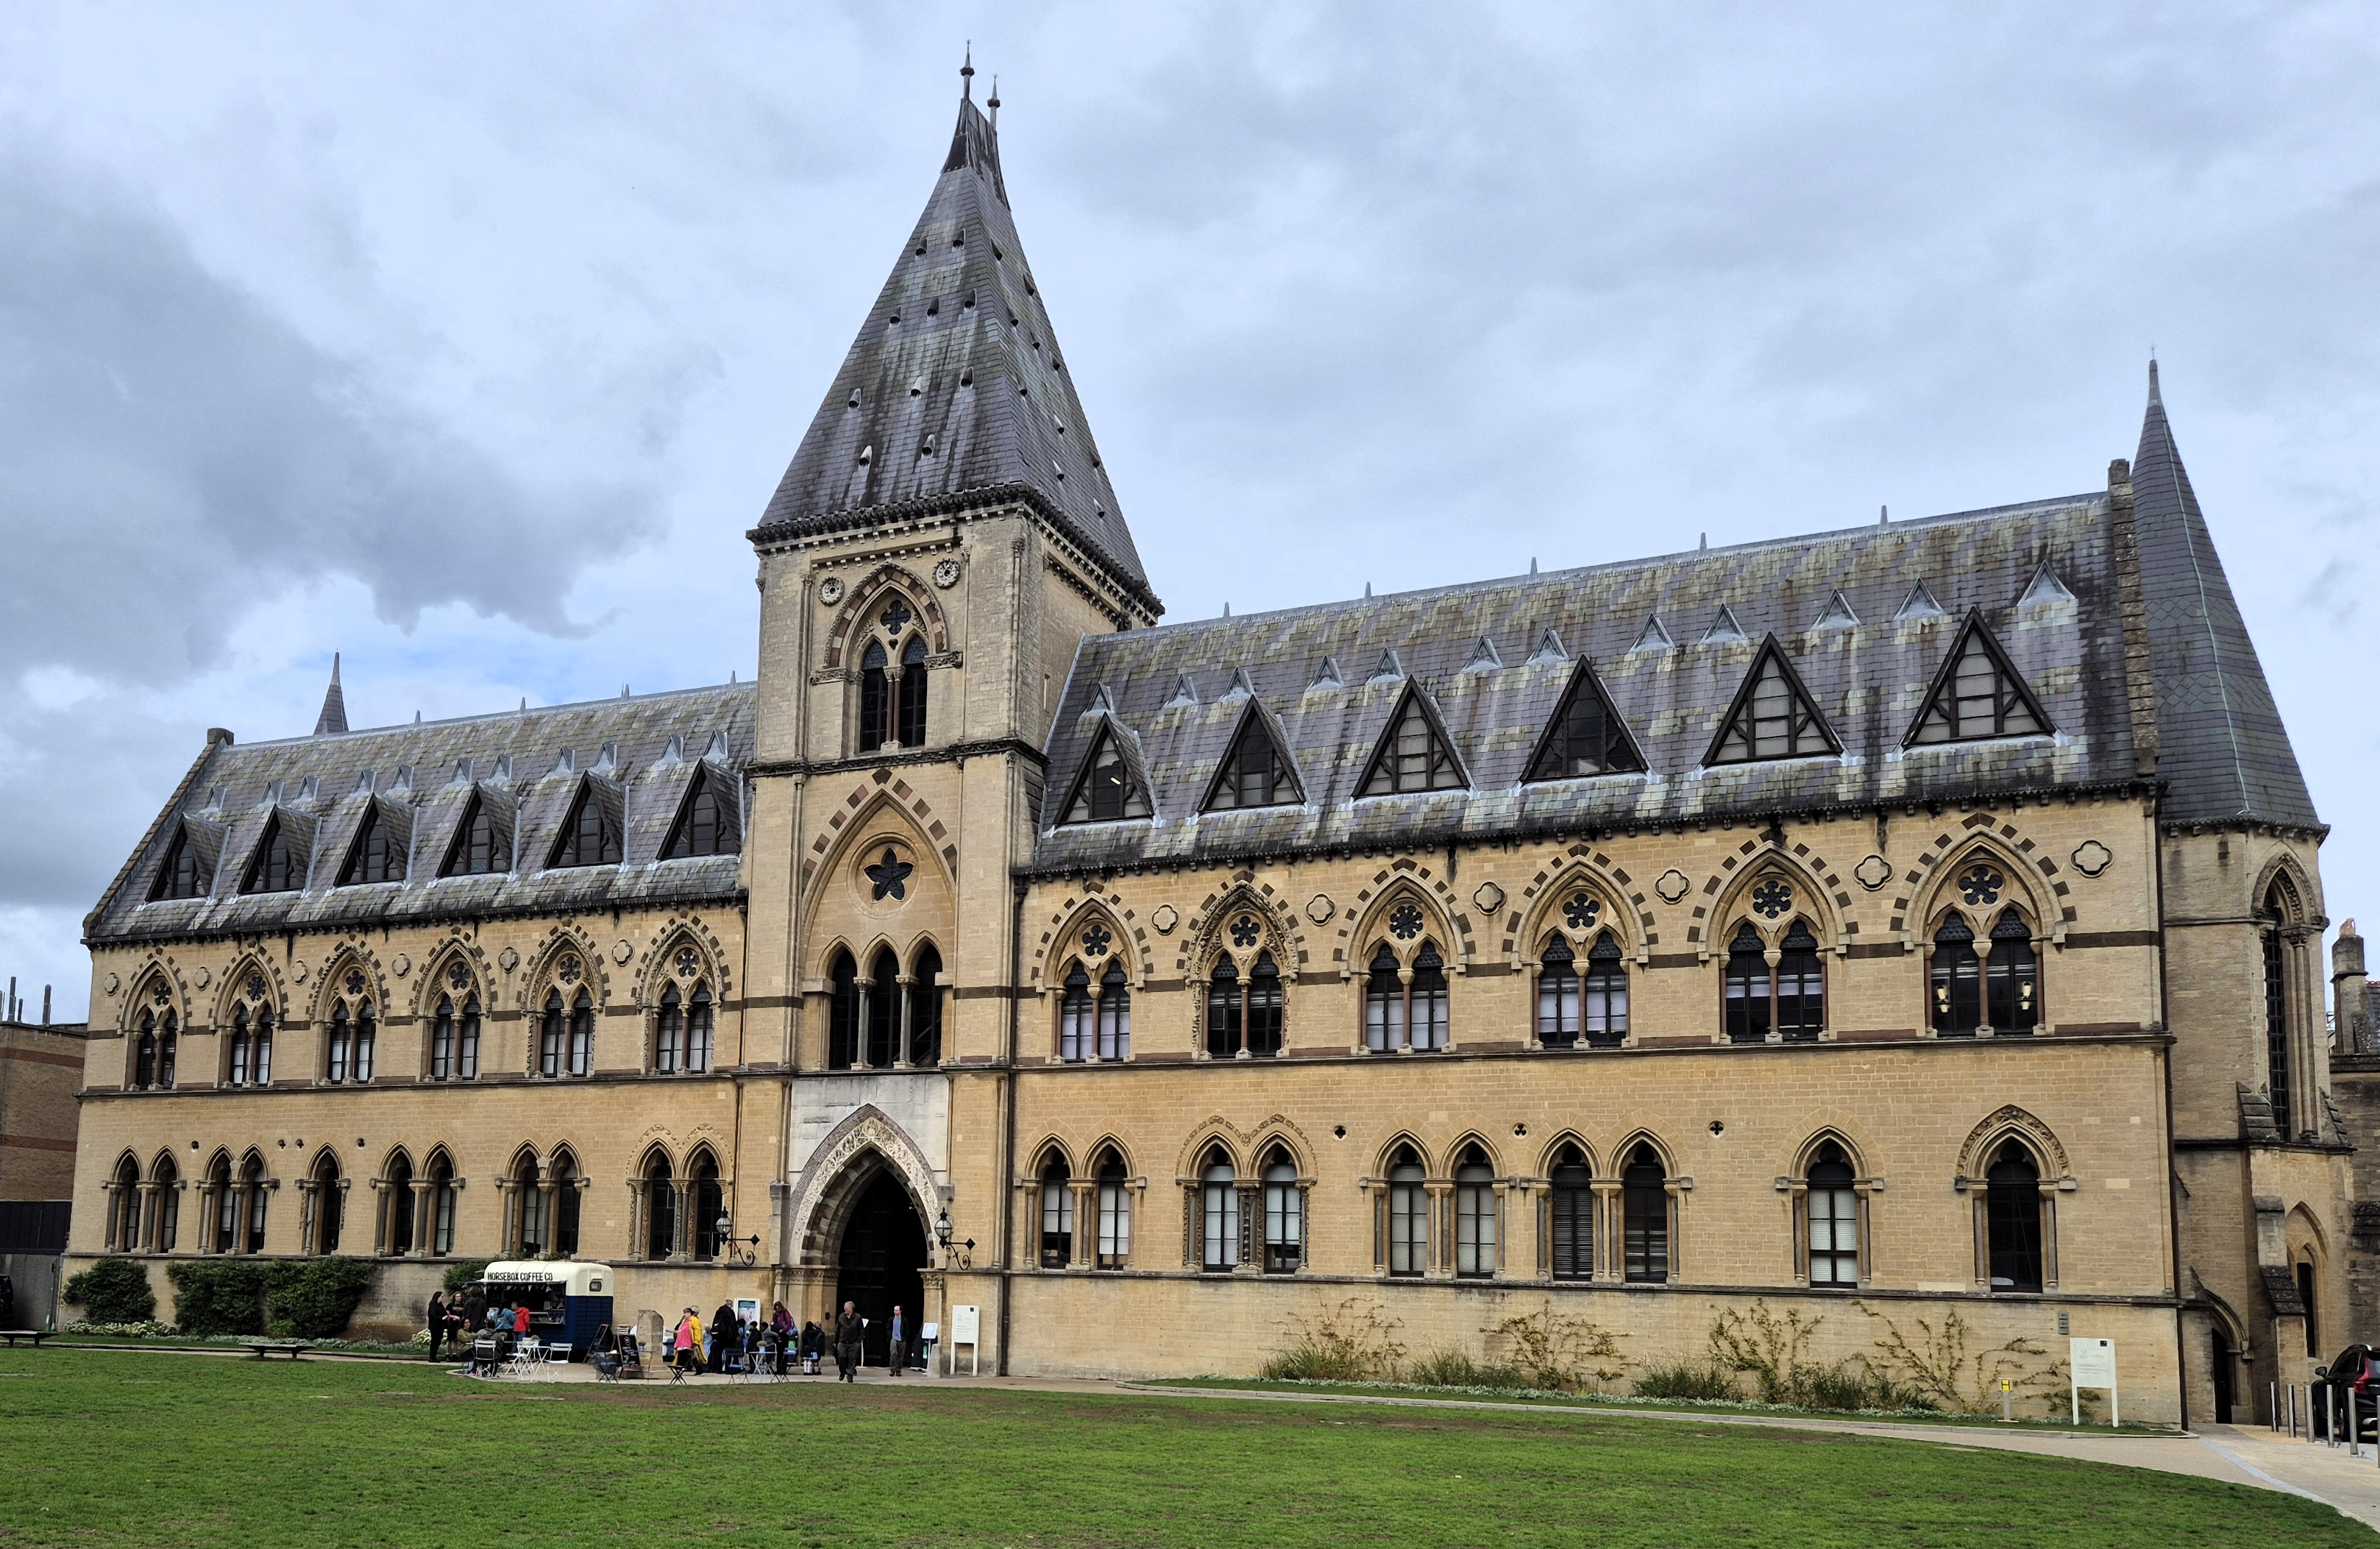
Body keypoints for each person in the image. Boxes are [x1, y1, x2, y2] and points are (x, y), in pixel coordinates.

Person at [834, 1300, 864, 1383]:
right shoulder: (841, 1317)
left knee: (852, 1359)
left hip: (853, 1342)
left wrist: (858, 1340)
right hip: (842, 1342)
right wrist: (835, 1340)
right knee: (841, 1358)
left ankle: (850, 1375)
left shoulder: (858, 1317)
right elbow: (837, 1329)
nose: (845, 1310)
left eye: (846, 1308)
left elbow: (861, 1330)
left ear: (851, 1308)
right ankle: (842, 1372)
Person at [426, 1291, 448, 1362]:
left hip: (440, 1327)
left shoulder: (440, 1305)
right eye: (441, 1297)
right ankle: (432, 1357)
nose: (442, 1298)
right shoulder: (433, 1305)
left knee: (438, 1341)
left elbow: (443, 1312)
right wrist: (441, 1318)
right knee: (434, 1341)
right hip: (435, 1327)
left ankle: (434, 1356)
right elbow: (432, 1315)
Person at [888, 1304, 906, 1378]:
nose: (895, 1312)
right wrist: (890, 1336)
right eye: (894, 1310)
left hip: (902, 1340)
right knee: (893, 1353)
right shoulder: (891, 1319)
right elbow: (888, 1328)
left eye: (897, 1310)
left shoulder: (904, 1320)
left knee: (900, 1356)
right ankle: (892, 1369)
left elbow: (906, 1330)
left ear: (900, 1311)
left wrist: (904, 1338)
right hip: (894, 1339)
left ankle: (898, 1371)